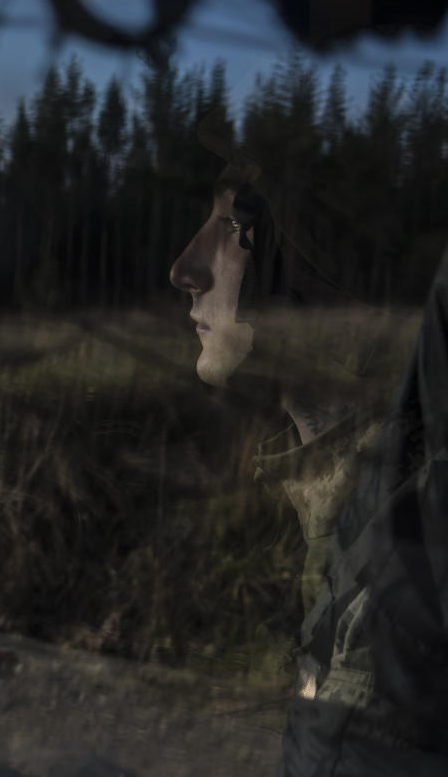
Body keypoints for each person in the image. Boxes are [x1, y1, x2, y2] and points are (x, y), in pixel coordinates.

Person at [170, 120, 448, 774]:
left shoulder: (416, 517)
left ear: (311, 271)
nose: (182, 269)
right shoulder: (348, 484)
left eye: (233, 233)